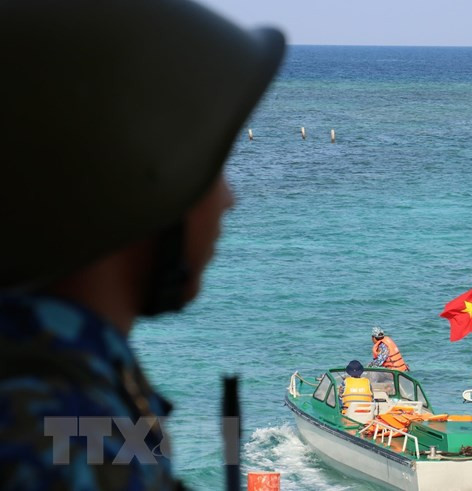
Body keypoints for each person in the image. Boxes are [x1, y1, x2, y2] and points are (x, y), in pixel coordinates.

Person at [0, 0, 284, 488]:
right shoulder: (59, 448)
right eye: (212, 171)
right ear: (142, 180)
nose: (229, 201)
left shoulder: (58, 380)